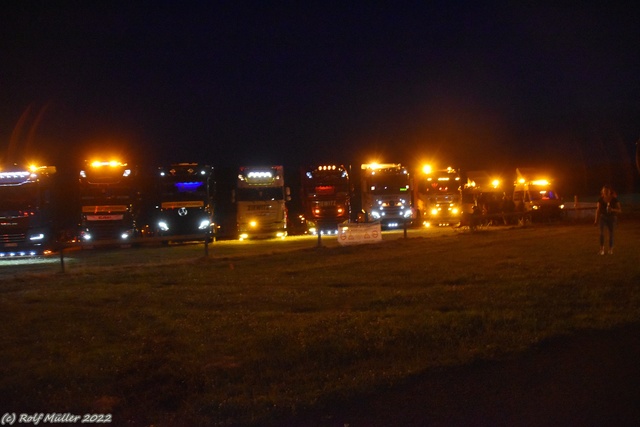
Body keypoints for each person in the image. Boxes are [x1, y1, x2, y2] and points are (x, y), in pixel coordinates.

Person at [594, 185, 621, 255]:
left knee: (611, 234)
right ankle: (602, 249)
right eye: (604, 191)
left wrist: (612, 209)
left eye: (607, 191)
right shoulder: (600, 199)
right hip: (603, 217)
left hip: (612, 218)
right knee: (601, 233)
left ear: (609, 191)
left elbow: (619, 210)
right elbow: (598, 210)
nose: (605, 192)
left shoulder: (614, 199)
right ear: (602, 191)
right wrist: (596, 220)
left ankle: (610, 249)